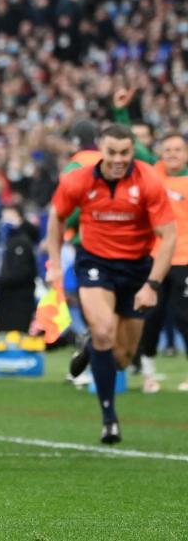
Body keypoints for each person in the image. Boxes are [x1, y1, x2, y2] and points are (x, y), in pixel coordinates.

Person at [47, 124, 175, 444]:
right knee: (104, 329)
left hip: (136, 268)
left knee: (121, 358)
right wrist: (54, 265)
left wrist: (152, 285)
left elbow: (169, 235)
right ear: (100, 151)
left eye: (125, 153)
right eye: (112, 152)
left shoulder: (148, 181)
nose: (118, 159)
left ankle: (91, 350)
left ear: (133, 151)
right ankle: (109, 419)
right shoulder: (78, 180)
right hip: (95, 263)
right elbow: (56, 217)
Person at [137, 133, 188, 393]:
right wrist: (122, 112)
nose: (172, 154)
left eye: (178, 149)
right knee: (151, 315)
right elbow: (135, 146)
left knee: (185, 316)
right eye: (167, 150)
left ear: (186, 153)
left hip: (184, 259)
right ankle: (148, 374)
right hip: (156, 259)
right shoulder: (155, 174)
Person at [0, 205, 39, 334]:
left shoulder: (21, 241)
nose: (6, 220)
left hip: (18, 298)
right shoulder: (5, 241)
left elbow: (21, 272)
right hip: (6, 296)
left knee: (16, 335)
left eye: (10, 216)